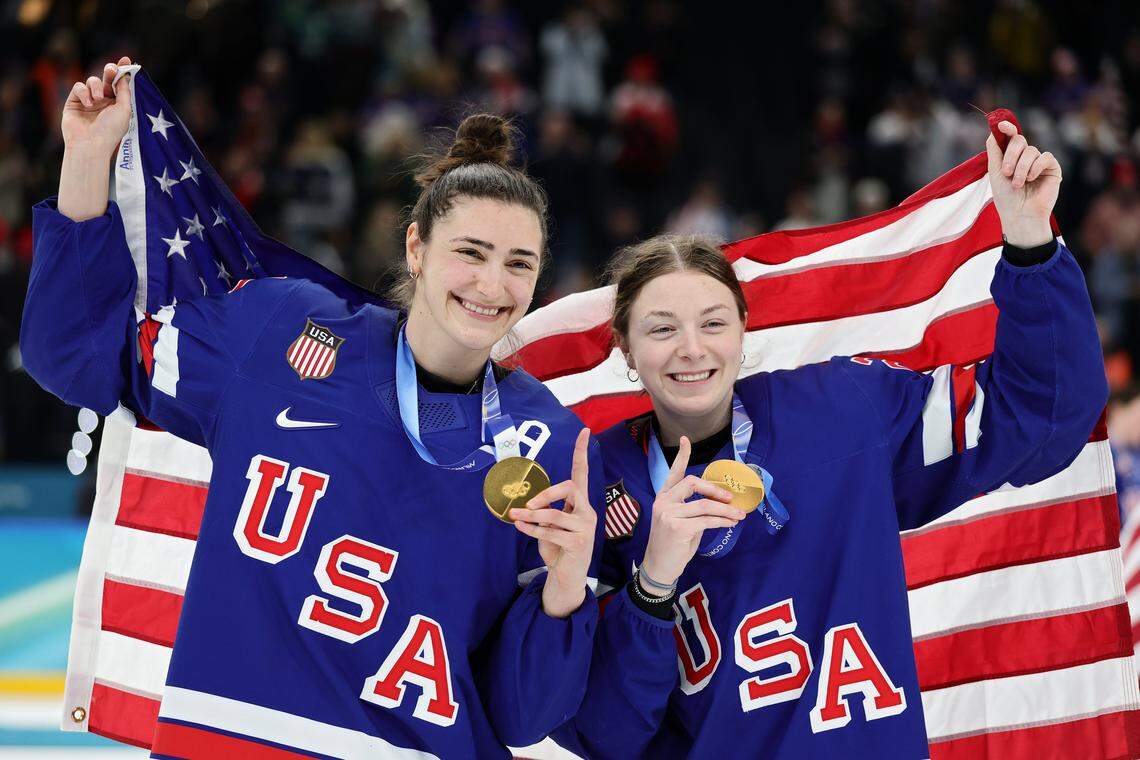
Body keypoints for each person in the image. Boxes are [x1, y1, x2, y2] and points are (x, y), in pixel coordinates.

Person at [22, 58, 603, 758]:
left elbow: (518, 716)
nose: (492, 284)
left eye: (519, 263)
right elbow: (79, 357)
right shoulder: (281, 332)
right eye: (470, 252)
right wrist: (87, 159)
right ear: (416, 247)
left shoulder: (549, 444)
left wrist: (565, 590)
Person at [558, 122, 1107, 758]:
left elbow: (1035, 417)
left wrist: (1031, 243)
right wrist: (651, 585)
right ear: (625, 348)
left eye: (712, 322)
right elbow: (606, 735)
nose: (691, 349)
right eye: (661, 329)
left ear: (744, 328)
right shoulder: (595, 493)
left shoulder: (846, 411)